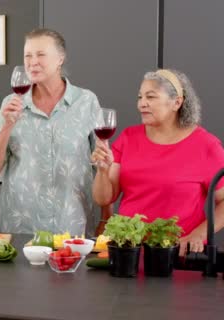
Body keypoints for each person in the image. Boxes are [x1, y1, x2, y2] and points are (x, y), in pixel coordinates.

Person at [0, 28, 108, 236]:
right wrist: (7, 127)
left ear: (60, 58)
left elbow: (103, 165)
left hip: (72, 226)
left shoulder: (86, 102)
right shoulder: (11, 104)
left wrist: (106, 217)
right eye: (28, 55)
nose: (33, 61)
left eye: (41, 54)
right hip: (20, 229)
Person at [92, 69, 224, 256]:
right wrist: (103, 171)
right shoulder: (128, 138)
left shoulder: (206, 146)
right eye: (140, 97)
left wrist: (198, 234)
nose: (141, 104)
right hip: (127, 252)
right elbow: (104, 198)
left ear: (176, 102)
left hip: (176, 256)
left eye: (151, 97)